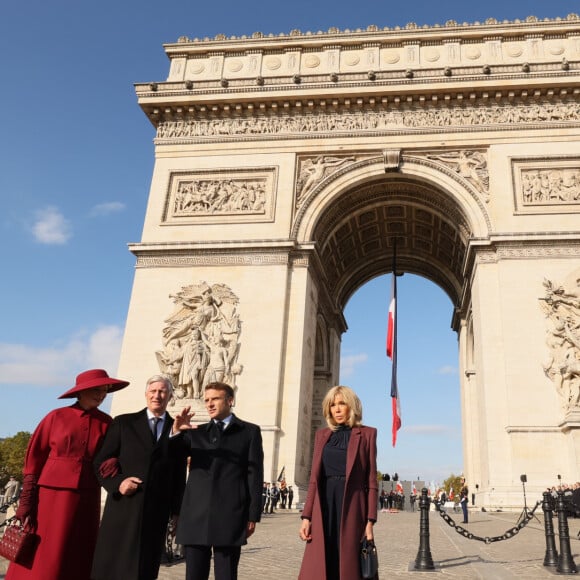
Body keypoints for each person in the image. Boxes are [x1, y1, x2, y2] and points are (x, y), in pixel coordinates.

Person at [6, 368, 129, 580]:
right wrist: (26, 501)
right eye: (97, 390)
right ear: (81, 392)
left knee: (79, 550)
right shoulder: (55, 417)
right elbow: (34, 461)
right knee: (46, 550)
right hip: (50, 497)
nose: (101, 395)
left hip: (87, 497)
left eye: (105, 390)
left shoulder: (108, 423)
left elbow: (109, 461)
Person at [91, 374, 187, 580]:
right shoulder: (123, 423)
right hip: (123, 505)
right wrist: (119, 483)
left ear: (170, 396)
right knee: (111, 564)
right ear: (145, 395)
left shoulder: (177, 428)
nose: (157, 395)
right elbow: (101, 463)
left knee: (146, 565)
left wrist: (177, 511)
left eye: (162, 391)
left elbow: (179, 475)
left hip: (157, 510)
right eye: (153, 391)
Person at [171, 381, 264, 580]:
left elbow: (254, 475)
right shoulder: (194, 432)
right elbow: (167, 458)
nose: (209, 404)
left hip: (231, 514)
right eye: (206, 400)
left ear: (230, 400)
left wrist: (253, 514)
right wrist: (177, 432)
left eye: (215, 399)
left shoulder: (250, 432)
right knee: (194, 575)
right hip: (195, 514)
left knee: (227, 575)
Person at [299, 385, 378, 580]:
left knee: (349, 562)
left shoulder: (367, 434)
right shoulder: (321, 436)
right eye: (333, 404)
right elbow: (314, 480)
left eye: (342, 403)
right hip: (324, 504)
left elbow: (371, 481)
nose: (337, 409)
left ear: (351, 406)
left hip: (352, 505)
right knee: (323, 560)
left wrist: (370, 521)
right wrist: (306, 516)